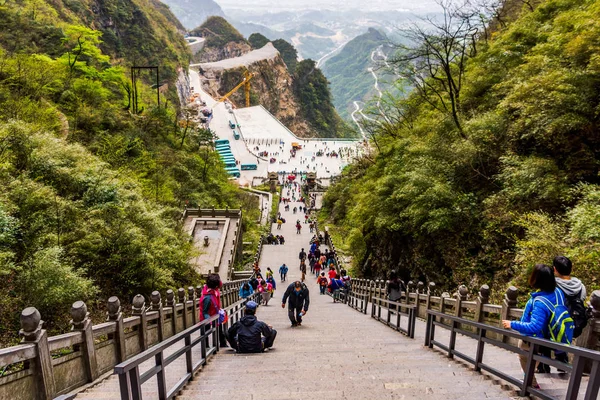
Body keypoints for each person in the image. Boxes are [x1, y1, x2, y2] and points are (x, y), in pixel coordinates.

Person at [502, 264, 560, 389]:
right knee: (533, 358)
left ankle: (531, 384)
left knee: (524, 356)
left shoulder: (540, 302)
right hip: (547, 337)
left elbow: (534, 326)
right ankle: (529, 379)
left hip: (534, 339)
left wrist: (512, 324)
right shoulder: (557, 293)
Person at [537, 256, 588, 371]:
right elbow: (582, 300)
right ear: (571, 268)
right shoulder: (580, 286)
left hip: (554, 323)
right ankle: (562, 363)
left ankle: (544, 365)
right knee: (563, 336)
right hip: (572, 323)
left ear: (554, 269)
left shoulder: (552, 285)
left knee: (546, 334)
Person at [199, 274, 227, 347]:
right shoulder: (207, 297)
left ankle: (222, 343)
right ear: (215, 286)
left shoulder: (214, 290)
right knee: (206, 331)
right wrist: (210, 320)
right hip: (207, 317)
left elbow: (220, 284)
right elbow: (205, 311)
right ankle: (206, 347)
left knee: (219, 329)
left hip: (215, 314)